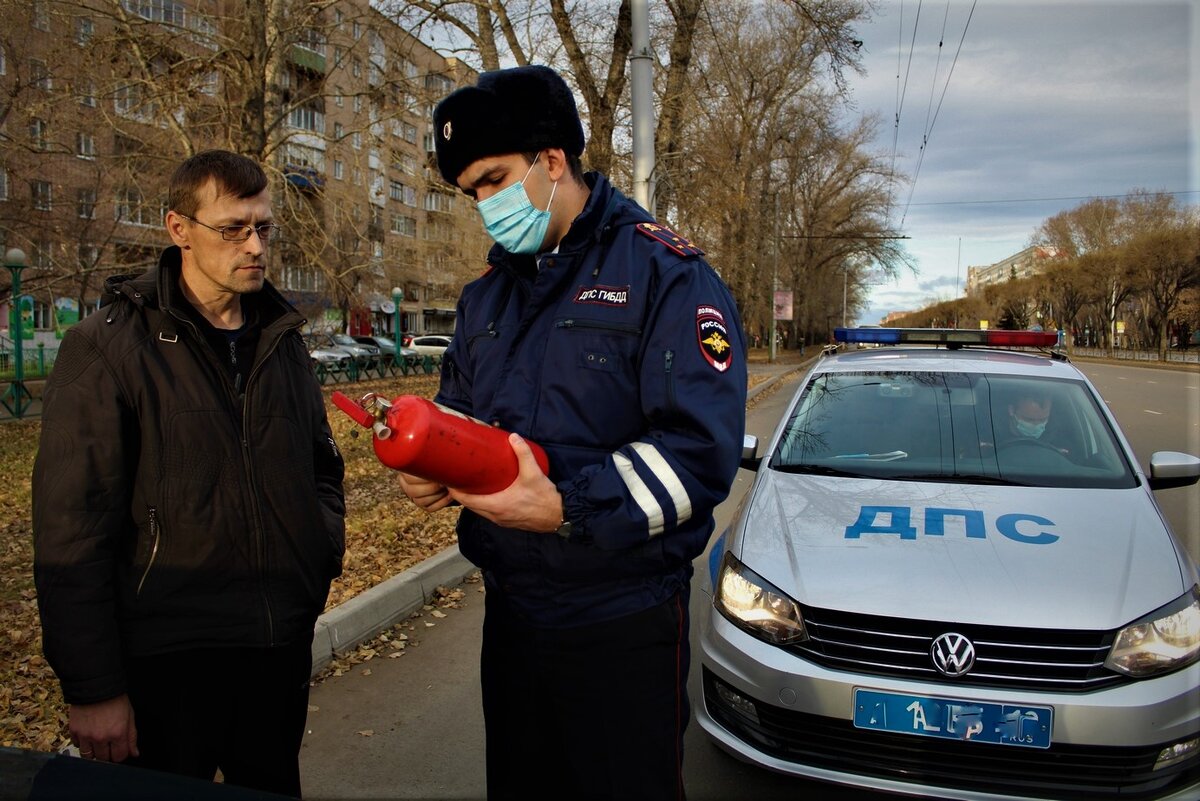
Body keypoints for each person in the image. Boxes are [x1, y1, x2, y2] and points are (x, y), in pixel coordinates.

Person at [400, 65, 747, 801]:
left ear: (553, 160)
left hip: (623, 621)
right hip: (513, 616)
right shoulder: (486, 296)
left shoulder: (666, 273)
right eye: (471, 193)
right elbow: (460, 412)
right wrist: (426, 456)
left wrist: (569, 505)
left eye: (494, 180)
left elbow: (698, 450)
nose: (485, 207)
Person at [32, 150, 346, 797]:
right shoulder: (109, 345)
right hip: (165, 665)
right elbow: (71, 532)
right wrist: (94, 688)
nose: (255, 245)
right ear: (179, 229)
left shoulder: (280, 337)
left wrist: (319, 546)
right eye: (233, 228)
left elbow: (320, 464)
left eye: (263, 227)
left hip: (273, 650)